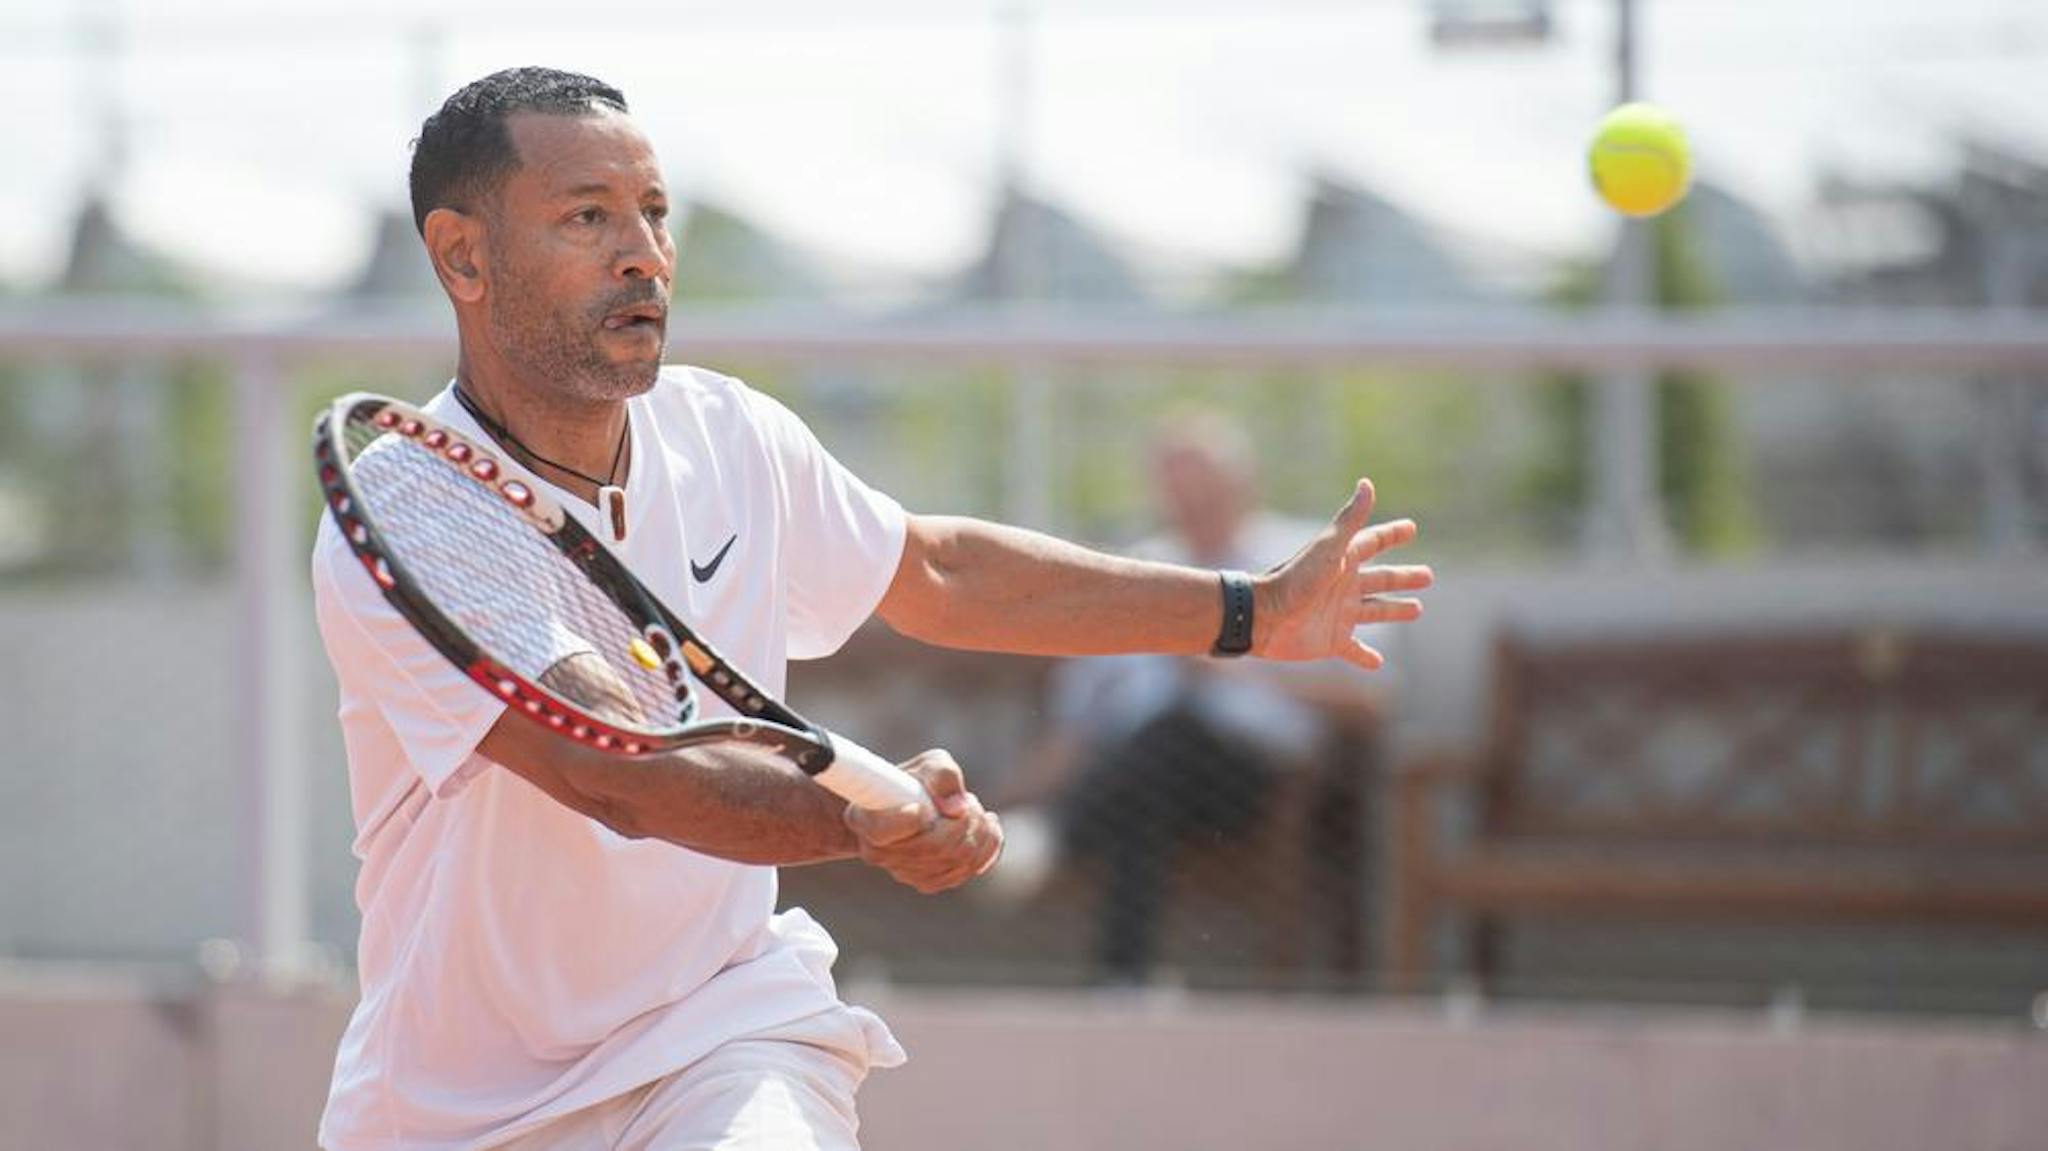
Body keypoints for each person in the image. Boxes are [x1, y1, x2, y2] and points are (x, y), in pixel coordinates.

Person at [311, 67, 1432, 1151]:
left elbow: (934, 572)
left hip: (721, 1034)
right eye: (587, 217)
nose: (643, 254)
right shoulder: (411, 504)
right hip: (454, 1105)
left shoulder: (731, 433)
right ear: (463, 255)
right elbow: (625, 767)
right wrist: (862, 817)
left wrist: (1252, 609)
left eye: (654, 212)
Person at [994, 412, 1395, 982]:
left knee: (1168, 739)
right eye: (1176, 488)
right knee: (1147, 777)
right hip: (1141, 775)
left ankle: (1053, 839)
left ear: (1242, 485)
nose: (1191, 503)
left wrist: (1235, 661)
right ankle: (1124, 986)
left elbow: (1370, 702)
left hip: (1262, 776)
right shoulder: (1133, 571)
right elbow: (1080, 725)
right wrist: (998, 800)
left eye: (1203, 487)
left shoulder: (1303, 560)